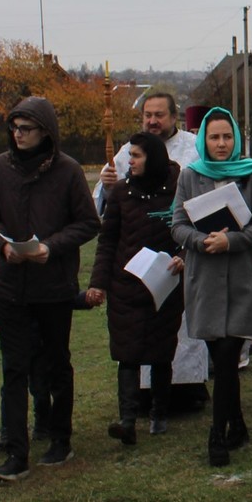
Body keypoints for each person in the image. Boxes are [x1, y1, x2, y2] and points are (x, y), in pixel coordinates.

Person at [0, 96, 101, 482]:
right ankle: (17, 453)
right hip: (10, 284)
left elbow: (88, 223)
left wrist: (51, 247)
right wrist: (3, 245)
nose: (18, 135)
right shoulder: (1, 167)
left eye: (26, 129)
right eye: (14, 128)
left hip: (54, 286)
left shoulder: (68, 171)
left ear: (45, 132)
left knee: (57, 363)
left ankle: (60, 439)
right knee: (14, 367)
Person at [171, 107, 252, 467]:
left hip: (243, 279)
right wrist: (201, 242)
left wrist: (231, 241)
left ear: (236, 138)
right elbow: (178, 225)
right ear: (203, 139)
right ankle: (239, 425)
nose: (221, 143)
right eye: (214, 137)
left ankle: (217, 435)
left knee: (229, 355)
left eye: (227, 136)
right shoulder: (190, 176)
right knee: (221, 358)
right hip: (205, 280)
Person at [97, 91, 209, 413]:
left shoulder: (194, 148)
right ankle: (143, 399)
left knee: (178, 331)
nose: (152, 121)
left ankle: (188, 389)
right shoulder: (126, 151)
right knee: (136, 333)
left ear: (174, 116)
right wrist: (106, 185)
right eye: (148, 115)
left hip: (177, 254)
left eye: (159, 115)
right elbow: (109, 205)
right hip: (136, 259)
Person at [86, 131, 184, 444]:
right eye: (130, 155)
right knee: (126, 352)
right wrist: (98, 283)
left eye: (137, 156)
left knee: (161, 352)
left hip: (164, 284)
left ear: (152, 158)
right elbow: (108, 240)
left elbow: (189, 230)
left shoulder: (179, 189)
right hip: (125, 285)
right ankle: (127, 420)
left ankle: (159, 413)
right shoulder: (120, 192)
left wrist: (183, 257)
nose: (131, 162)